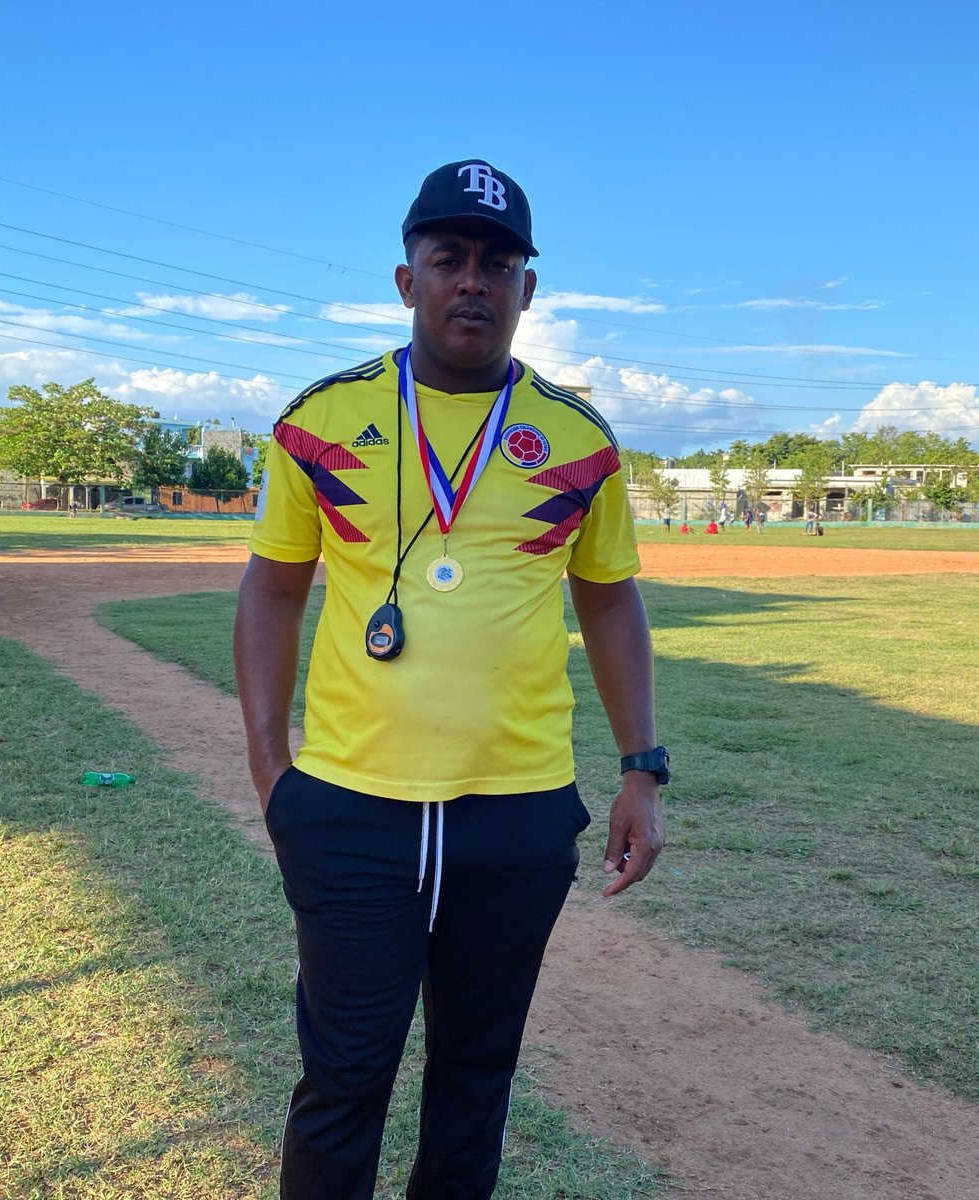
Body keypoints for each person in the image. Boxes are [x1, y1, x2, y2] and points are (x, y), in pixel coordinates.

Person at [234, 158, 667, 1200]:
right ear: (407, 279)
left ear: (528, 289)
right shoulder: (319, 421)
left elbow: (610, 601)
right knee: (345, 1078)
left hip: (516, 811)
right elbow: (273, 589)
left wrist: (641, 769)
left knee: (477, 1078)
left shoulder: (578, 441)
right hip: (350, 807)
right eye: (449, 257)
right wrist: (271, 771)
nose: (473, 279)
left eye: (497, 263)